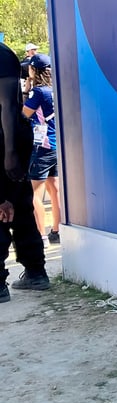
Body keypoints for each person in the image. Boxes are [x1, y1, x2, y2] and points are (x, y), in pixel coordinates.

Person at [1, 41, 49, 302]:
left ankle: (5, 281)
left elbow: (8, 106)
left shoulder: (1, 54)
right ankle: (35, 271)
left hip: (7, 141)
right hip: (10, 140)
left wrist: (9, 152)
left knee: (9, 206)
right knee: (17, 205)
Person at [22, 52, 61, 244]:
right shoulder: (54, 89)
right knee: (55, 189)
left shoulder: (38, 93)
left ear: (34, 70)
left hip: (41, 147)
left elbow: (24, 114)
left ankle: (41, 235)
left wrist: (24, 93)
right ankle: (57, 230)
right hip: (56, 146)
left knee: (35, 194)